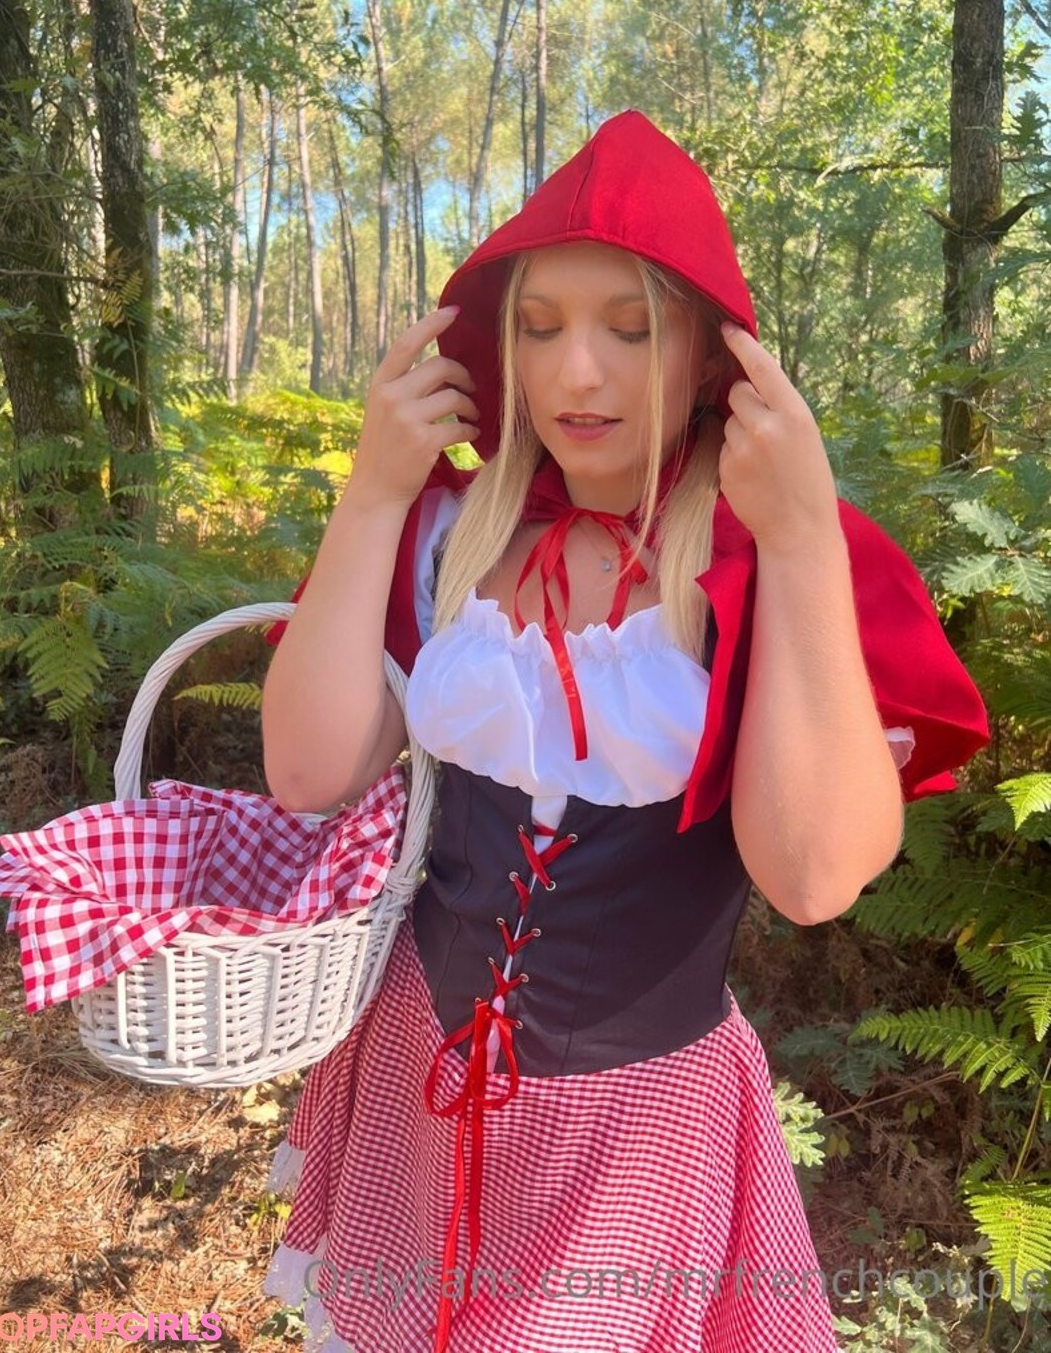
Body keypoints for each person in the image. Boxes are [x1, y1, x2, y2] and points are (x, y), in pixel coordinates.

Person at [259, 111, 989, 1353]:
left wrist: (803, 536)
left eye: (631, 328)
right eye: (539, 327)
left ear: (710, 352)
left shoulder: (772, 563)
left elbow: (814, 878)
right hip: (412, 1078)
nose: (576, 375)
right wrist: (373, 492)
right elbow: (307, 770)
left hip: (633, 1139)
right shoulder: (452, 534)